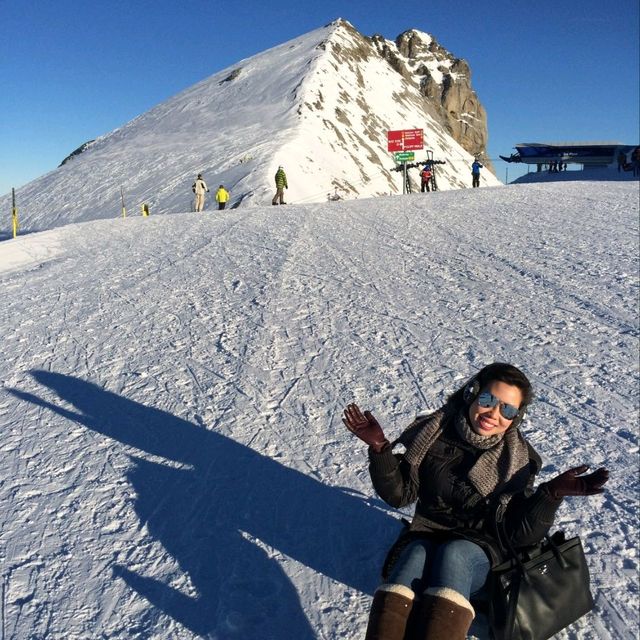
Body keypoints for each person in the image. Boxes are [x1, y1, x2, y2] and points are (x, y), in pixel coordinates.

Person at [342, 362, 609, 640]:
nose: (494, 414)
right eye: (488, 400)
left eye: (507, 409)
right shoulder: (433, 433)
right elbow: (400, 495)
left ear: (515, 418)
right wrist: (380, 449)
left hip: (483, 550)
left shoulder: (517, 460)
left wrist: (550, 495)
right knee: (414, 555)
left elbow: (518, 535)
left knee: (455, 554)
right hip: (428, 531)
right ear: (472, 392)